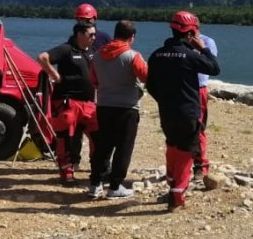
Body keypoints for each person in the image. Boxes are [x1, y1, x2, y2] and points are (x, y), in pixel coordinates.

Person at [146, 11, 220, 210]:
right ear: (190, 34)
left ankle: (172, 184)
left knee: (172, 147)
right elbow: (214, 68)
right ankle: (177, 197)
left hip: (167, 112)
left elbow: (150, 85)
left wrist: (164, 100)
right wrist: (203, 49)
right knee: (186, 152)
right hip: (187, 112)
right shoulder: (190, 55)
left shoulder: (156, 54)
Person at [88, 20, 148, 199]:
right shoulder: (132, 56)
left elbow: (94, 80)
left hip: (104, 105)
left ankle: (95, 184)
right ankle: (115, 186)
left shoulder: (97, 55)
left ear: (115, 34)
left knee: (102, 146)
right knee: (123, 148)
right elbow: (146, 76)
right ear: (132, 37)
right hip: (127, 107)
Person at [38, 21, 99, 183]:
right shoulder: (66, 49)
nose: (94, 37)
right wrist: (55, 75)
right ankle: (67, 173)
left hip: (88, 103)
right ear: (79, 34)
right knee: (66, 139)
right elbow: (43, 58)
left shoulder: (92, 51)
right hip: (67, 102)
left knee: (97, 135)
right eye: (90, 35)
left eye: (95, 34)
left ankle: (98, 169)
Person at [194, 23, 219, 180]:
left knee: (199, 128)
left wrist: (201, 48)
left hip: (198, 88)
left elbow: (212, 65)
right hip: (181, 87)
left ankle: (200, 166)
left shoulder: (208, 42)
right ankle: (178, 167)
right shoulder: (178, 42)